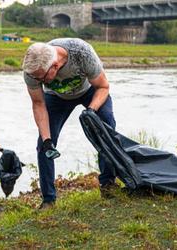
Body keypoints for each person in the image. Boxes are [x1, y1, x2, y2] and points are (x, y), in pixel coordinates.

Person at [23, 38, 117, 209]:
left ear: (55, 67)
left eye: (42, 78)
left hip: (90, 91)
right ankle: (48, 200)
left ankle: (108, 184)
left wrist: (91, 110)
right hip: (57, 97)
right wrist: (46, 140)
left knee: (107, 130)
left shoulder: (81, 53)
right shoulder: (32, 71)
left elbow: (103, 87)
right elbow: (38, 103)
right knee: (43, 145)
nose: (39, 82)